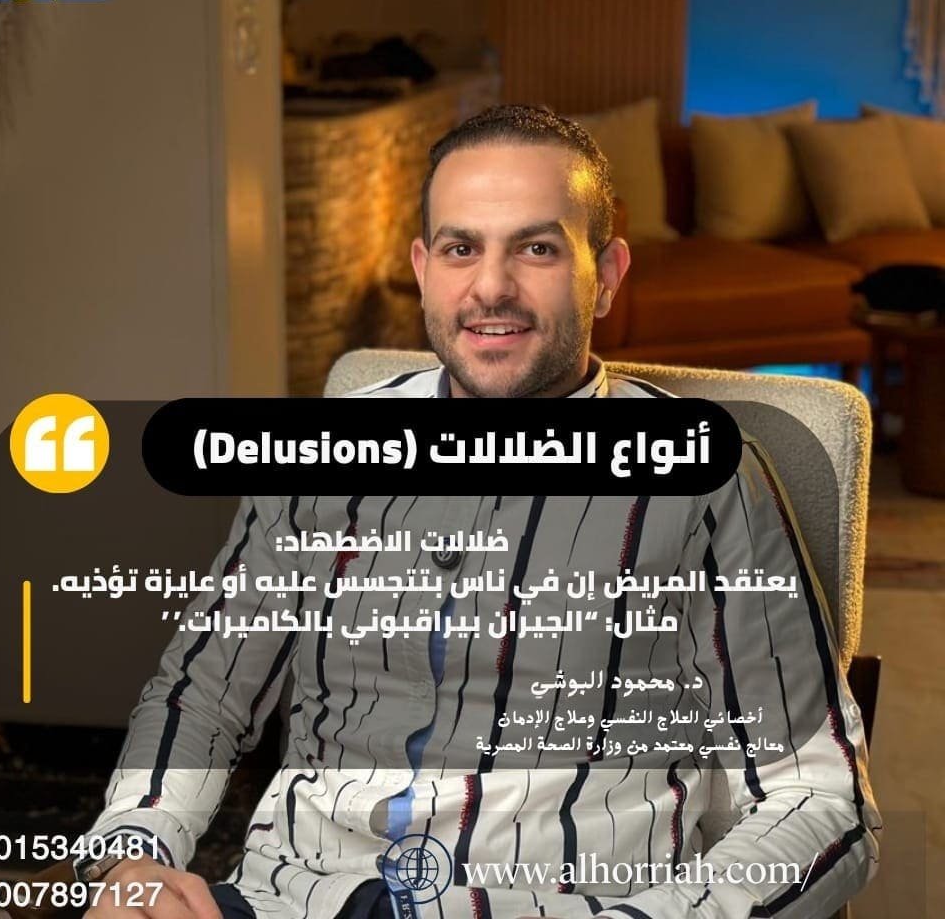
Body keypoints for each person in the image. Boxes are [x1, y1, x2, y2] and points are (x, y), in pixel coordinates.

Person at [81, 106, 881, 919]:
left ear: (606, 275)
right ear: (424, 269)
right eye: (461, 249)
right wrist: (132, 857)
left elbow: (818, 799)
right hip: (294, 900)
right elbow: (203, 691)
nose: (491, 287)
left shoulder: (703, 483)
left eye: (536, 249)